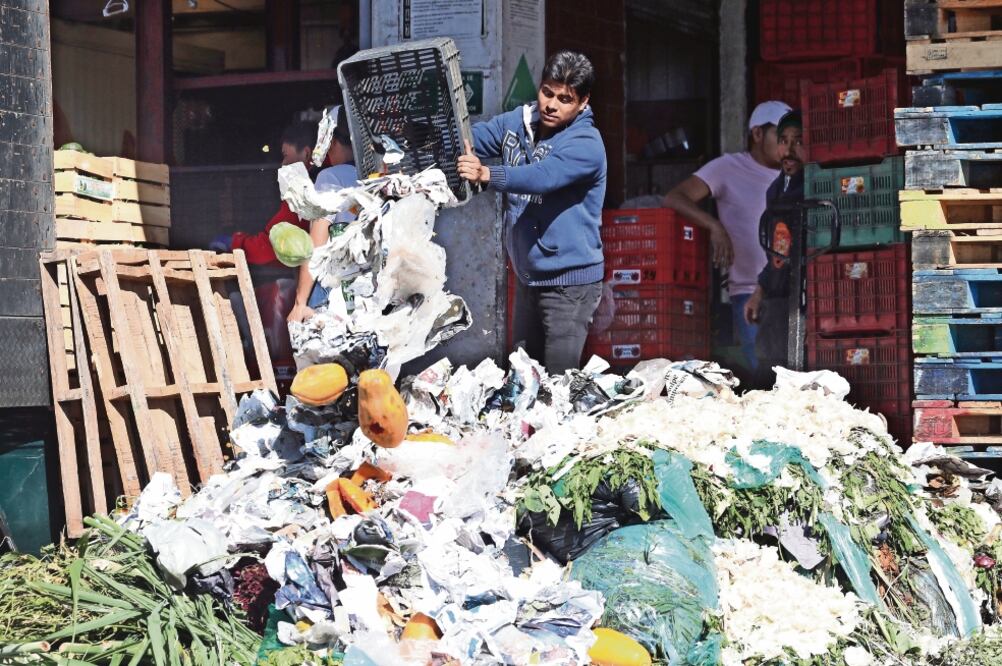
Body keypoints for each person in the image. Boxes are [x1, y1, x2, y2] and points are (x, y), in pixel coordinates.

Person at [457, 50, 607, 374]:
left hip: (569, 286)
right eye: (547, 92)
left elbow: (542, 177)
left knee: (558, 384)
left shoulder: (586, 143)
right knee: (524, 376)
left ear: (582, 102)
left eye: (565, 99)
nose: (551, 104)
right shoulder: (518, 122)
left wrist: (487, 174)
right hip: (529, 277)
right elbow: (473, 139)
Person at [661, 100, 789, 371]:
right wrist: (714, 227)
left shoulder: (792, 175)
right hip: (748, 291)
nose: (786, 145)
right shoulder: (728, 167)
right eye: (780, 135)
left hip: (788, 290)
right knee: (764, 373)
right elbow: (675, 197)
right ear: (757, 134)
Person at [744, 110, 805, 382]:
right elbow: (777, 253)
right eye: (784, 141)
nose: (789, 150)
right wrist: (759, 291)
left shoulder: (813, 186)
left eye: (798, 141)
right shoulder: (775, 190)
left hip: (806, 295)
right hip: (780, 295)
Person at [288, 104, 359, 323]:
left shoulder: (331, 177)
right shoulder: (381, 175)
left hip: (337, 295)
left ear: (334, 142)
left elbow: (315, 247)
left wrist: (300, 303)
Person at [210, 121, 318, 265]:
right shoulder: (338, 176)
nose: (283, 163)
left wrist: (234, 242)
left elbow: (269, 245)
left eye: (286, 155)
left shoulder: (305, 190)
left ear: (306, 153)